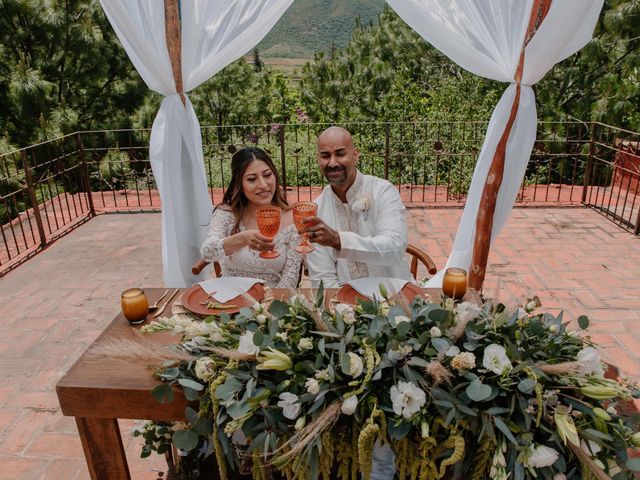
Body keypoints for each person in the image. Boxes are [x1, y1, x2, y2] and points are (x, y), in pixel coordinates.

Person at [304, 126, 411, 288]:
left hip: (395, 295)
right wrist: (344, 309)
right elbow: (323, 279)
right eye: (325, 156)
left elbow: (394, 249)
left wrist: (338, 241)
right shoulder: (317, 209)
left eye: (340, 153)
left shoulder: (382, 191)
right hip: (345, 306)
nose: (332, 163)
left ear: (355, 155)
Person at [200, 147, 302, 288]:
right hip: (230, 298)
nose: (263, 185)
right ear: (239, 184)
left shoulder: (292, 218)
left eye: (267, 175)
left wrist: (265, 308)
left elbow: (290, 279)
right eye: (252, 179)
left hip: (274, 302)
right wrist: (243, 238)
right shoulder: (226, 214)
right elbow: (208, 253)